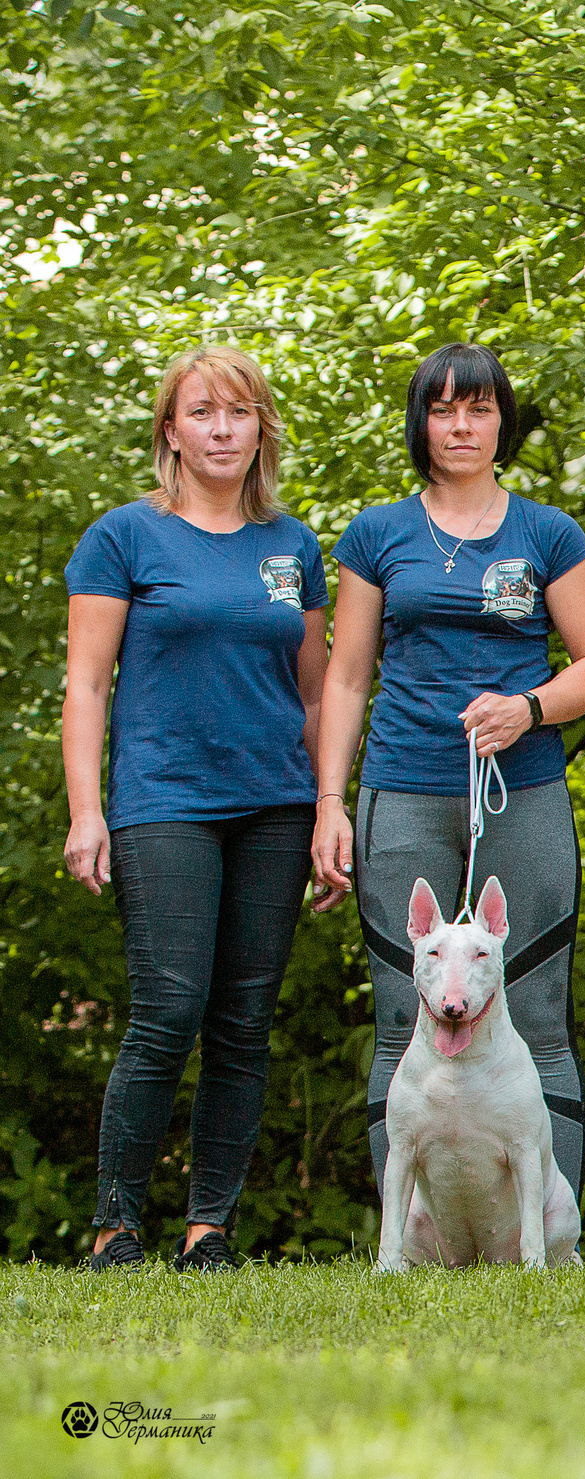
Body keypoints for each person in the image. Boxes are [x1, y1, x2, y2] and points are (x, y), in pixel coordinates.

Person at [311, 343, 585, 1210]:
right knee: (398, 1016)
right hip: (402, 789)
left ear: (501, 422)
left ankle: (548, 1236)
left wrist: (530, 707)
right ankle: (408, 1241)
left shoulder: (547, 534)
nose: (461, 426)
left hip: (522, 792)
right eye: (443, 409)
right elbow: (346, 677)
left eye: (479, 408)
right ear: (421, 422)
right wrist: (330, 801)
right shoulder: (377, 534)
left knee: (537, 1011)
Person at [64, 346, 329, 1271]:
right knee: (168, 1008)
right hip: (164, 799)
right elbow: (87, 685)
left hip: (276, 806)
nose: (222, 430)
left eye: (239, 412)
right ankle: (116, 1226)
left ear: (261, 429)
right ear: (171, 431)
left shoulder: (293, 546)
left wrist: (327, 810)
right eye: (203, 413)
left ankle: (208, 1228)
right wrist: (86, 810)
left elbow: (313, 693)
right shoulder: (124, 537)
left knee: (243, 1023)